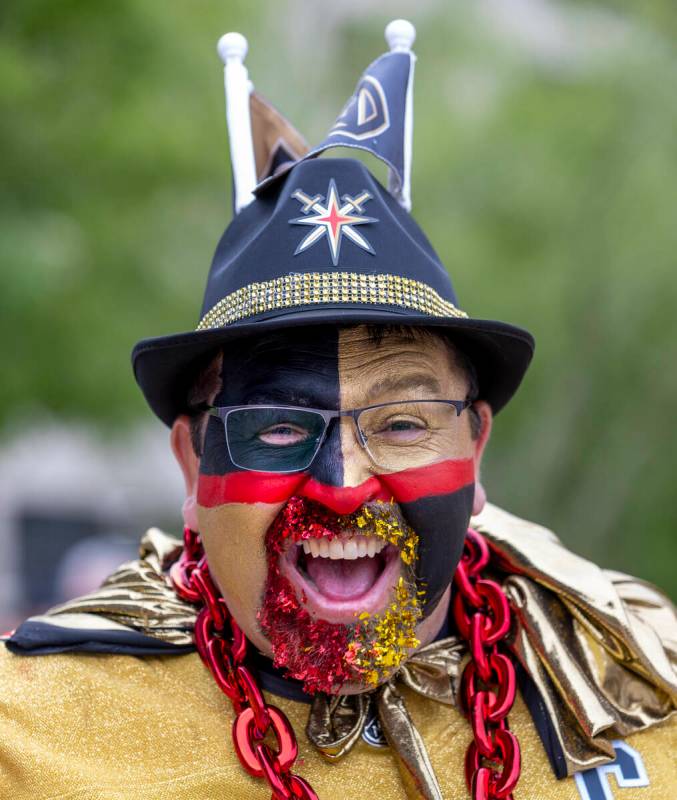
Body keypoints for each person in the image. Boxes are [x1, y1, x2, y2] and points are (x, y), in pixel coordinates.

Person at [1, 21, 674, 800]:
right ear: (192, 464)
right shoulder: (32, 738)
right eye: (279, 427)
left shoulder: (634, 688)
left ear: (476, 448)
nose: (344, 484)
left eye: (400, 423)